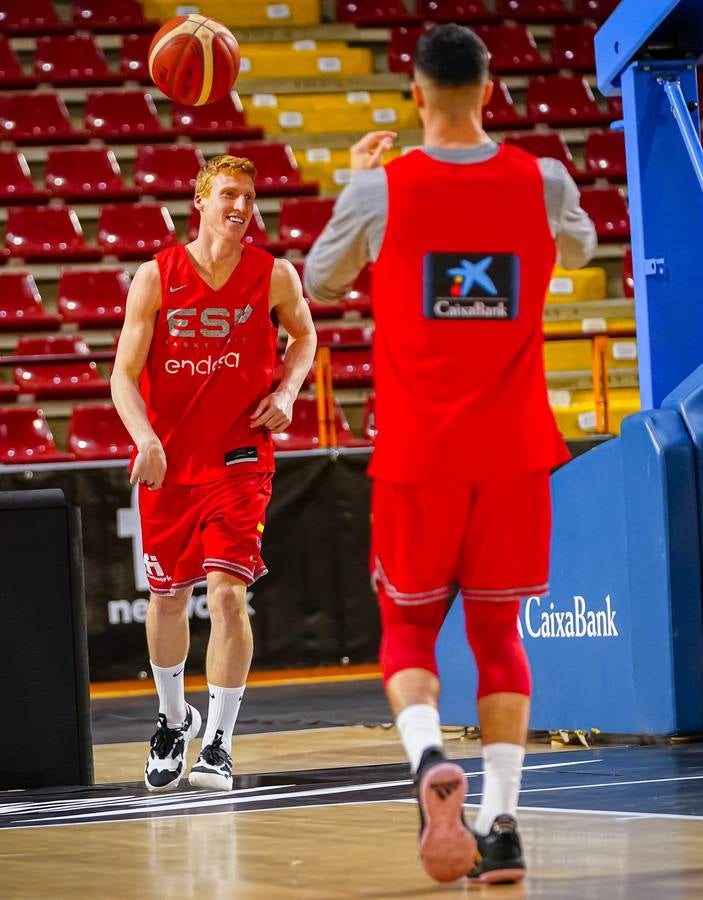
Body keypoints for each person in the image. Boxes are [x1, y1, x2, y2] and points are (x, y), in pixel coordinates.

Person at [304, 24, 596, 885]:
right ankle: (501, 828)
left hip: (417, 455)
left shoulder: (380, 190)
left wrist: (360, 185)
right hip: (512, 454)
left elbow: (320, 281)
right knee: (499, 636)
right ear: (491, 89)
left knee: (406, 629)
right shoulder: (542, 180)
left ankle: (429, 757)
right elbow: (578, 249)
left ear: (416, 97)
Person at [111, 154, 317, 793]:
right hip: (170, 462)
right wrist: (144, 437)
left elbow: (305, 340)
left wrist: (286, 394)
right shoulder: (156, 276)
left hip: (240, 458)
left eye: (249, 197)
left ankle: (221, 743)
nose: (240, 206)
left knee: (228, 592)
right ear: (199, 202)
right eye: (228, 193)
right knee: (168, 597)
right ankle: (174, 721)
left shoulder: (274, 274)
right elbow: (122, 375)